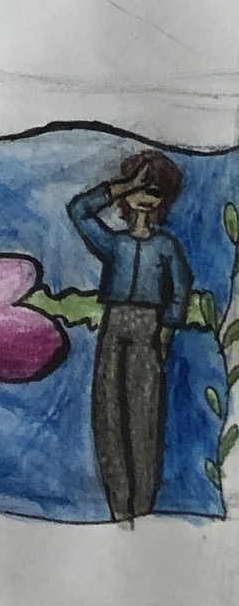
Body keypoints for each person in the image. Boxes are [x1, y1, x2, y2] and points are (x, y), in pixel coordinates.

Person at [68, 150, 193, 522]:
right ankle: (118, 507)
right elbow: (79, 211)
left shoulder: (165, 246)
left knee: (143, 416)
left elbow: (181, 287)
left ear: (164, 199)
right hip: (114, 324)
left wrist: (167, 326)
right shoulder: (115, 244)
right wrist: (121, 186)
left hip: (147, 328)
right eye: (140, 188)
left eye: (153, 190)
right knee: (108, 410)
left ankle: (142, 507)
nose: (145, 196)